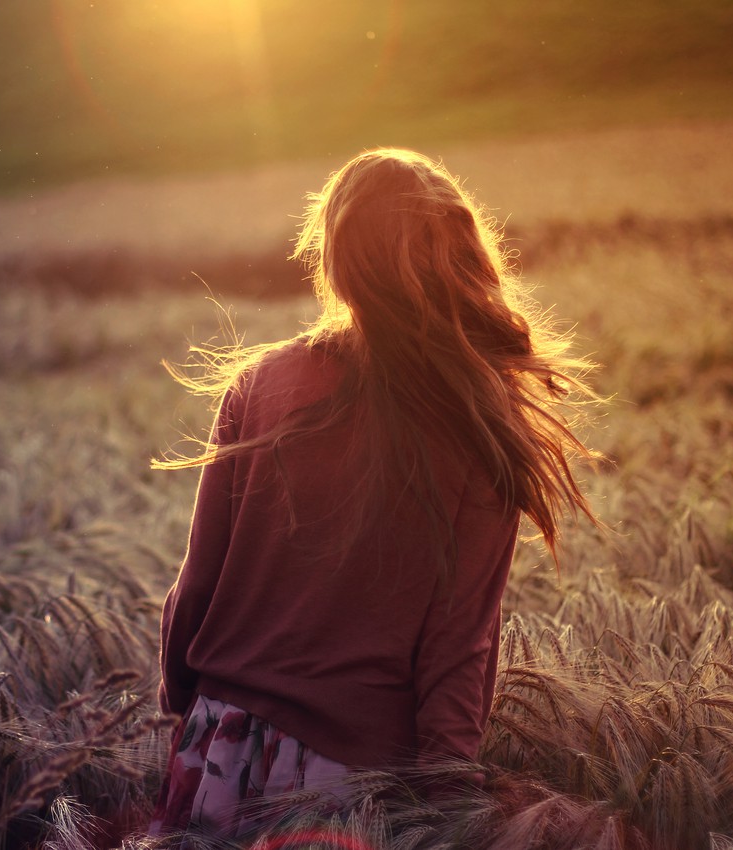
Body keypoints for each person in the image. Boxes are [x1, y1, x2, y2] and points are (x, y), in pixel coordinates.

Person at [149, 148, 600, 840]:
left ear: (334, 259)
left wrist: (188, 708)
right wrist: (444, 798)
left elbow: (198, 582)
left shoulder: (260, 385)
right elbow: (460, 646)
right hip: (354, 782)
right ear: (458, 254)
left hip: (220, 746)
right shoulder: (476, 418)